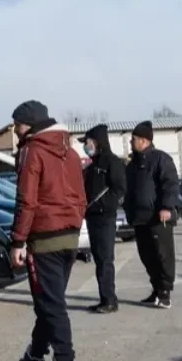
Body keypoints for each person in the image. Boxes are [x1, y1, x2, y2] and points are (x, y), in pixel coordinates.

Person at [8, 100, 87, 361]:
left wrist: (18, 241)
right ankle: (34, 357)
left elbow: (26, 200)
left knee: (51, 304)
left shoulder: (32, 151)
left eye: (16, 124)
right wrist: (76, 222)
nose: (15, 130)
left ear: (27, 124)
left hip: (44, 239)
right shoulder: (70, 152)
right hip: (69, 235)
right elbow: (81, 194)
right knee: (49, 301)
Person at [123, 121, 181, 309]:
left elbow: (170, 184)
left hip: (158, 218)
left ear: (144, 141)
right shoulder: (132, 165)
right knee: (146, 256)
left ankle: (165, 292)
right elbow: (129, 190)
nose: (131, 142)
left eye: (133, 139)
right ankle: (156, 289)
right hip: (140, 219)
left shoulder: (160, 159)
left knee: (162, 255)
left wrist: (166, 207)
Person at [79, 124, 126, 313]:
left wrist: (101, 204)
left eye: (88, 142)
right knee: (99, 259)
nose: (86, 146)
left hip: (105, 217)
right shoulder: (92, 165)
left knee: (105, 259)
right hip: (92, 217)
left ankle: (110, 300)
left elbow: (119, 189)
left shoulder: (112, 162)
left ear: (97, 142)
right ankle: (104, 298)